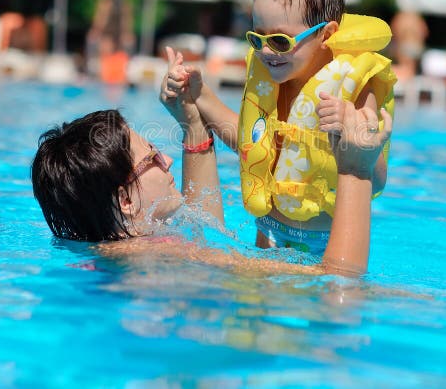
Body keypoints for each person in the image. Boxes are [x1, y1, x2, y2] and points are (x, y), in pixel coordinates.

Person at [31, 47, 393, 276]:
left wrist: (192, 124)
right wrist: (355, 170)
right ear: (126, 200)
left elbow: (209, 233)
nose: (167, 161)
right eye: (153, 158)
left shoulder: (133, 252)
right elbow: (338, 285)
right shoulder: (160, 259)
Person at [162, 0, 397, 256]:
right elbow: (252, 142)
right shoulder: (272, 80)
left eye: (279, 40)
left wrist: (354, 137)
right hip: (268, 230)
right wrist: (200, 95)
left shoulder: (353, 87)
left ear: (326, 34)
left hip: (325, 242)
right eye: (256, 38)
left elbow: (374, 178)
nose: (266, 51)